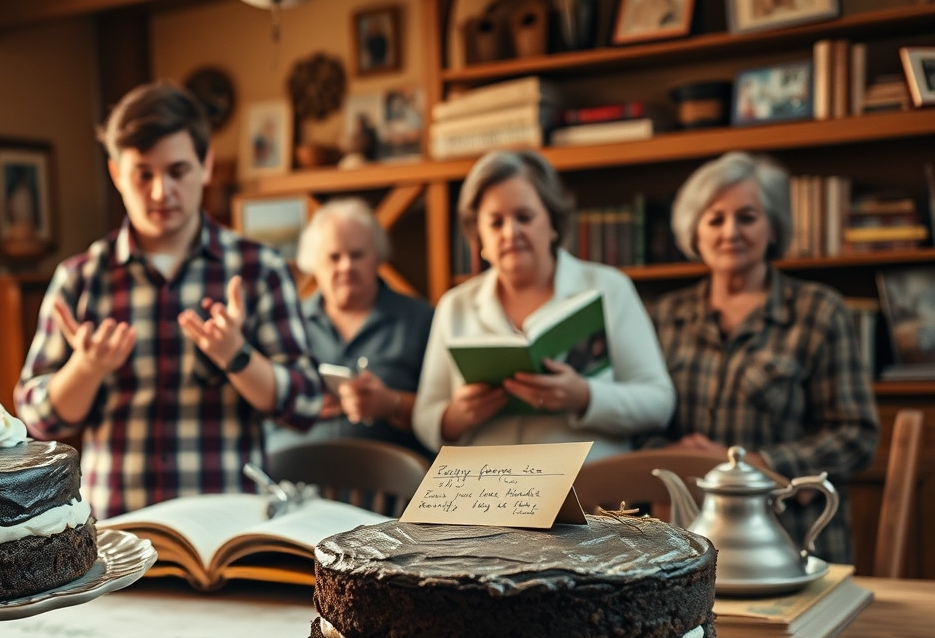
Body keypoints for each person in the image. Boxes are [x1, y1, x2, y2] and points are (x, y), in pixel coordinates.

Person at [14, 81, 323, 520]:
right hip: (116, 529)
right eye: (143, 174)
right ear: (116, 174)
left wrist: (238, 357)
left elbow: (307, 404)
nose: (161, 192)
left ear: (206, 166)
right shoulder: (80, 278)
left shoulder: (260, 269)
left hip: (229, 528)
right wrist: (85, 369)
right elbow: (35, 419)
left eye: (178, 171)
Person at [646, 151, 878, 564]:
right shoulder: (663, 316)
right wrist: (674, 454)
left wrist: (756, 466)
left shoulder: (819, 310)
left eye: (747, 217)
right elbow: (640, 423)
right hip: (683, 542)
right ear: (694, 231)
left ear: (773, 227)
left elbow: (855, 436)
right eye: (715, 219)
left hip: (793, 540)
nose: (730, 232)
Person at [412, 150, 674, 463]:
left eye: (524, 217)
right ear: (478, 235)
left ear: (552, 223)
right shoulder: (455, 305)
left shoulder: (609, 288)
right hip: (484, 483)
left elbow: (659, 403)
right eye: (495, 223)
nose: (511, 233)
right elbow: (424, 418)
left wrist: (585, 396)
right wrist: (456, 416)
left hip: (584, 480)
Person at [268, 198, 434, 459]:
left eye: (357, 255)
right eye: (334, 257)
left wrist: (392, 404)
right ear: (313, 263)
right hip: (288, 473)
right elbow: (253, 404)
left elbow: (446, 415)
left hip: (389, 478)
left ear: (377, 257)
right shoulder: (283, 322)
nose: (346, 266)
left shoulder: (421, 319)